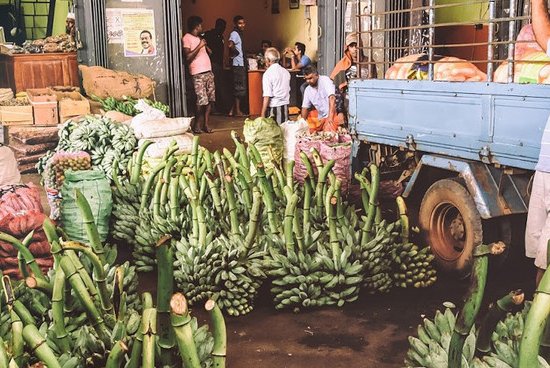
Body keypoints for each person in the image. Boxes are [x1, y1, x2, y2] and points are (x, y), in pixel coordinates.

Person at [526, 0, 550, 286]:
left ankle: (538, 323)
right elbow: (543, 34)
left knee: (546, 256)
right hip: (545, 168)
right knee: (537, 250)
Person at [183, 16, 216, 133]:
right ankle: (197, 125)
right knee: (201, 101)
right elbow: (187, 57)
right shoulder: (187, 38)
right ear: (197, 26)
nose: (202, 27)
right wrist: (200, 46)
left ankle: (206, 125)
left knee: (210, 100)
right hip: (198, 74)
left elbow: (208, 53)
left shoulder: (199, 38)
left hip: (208, 72)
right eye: (201, 25)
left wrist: (205, 47)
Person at [330, 33, 359, 125]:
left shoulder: (369, 62)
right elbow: (336, 90)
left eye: (357, 45)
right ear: (347, 48)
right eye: (352, 46)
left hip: (364, 101)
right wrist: (340, 111)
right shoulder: (342, 65)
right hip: (347, 102)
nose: (355, 49)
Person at [301, 65, 339, 132]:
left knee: (329, 133)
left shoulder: (325, 80)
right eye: (306, 79)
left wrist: (330, 118)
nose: (308, 81)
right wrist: (301, 124)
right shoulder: (307, 90)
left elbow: (332, 98)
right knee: (308, 130)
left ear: (317, 75)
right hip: (321, 117)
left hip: (334, 114)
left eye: (310, 78)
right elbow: (305, 108)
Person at [261, 47, 291, 124]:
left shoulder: (268, 74)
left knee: (274, 133)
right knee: (284, 131)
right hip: (285, 106)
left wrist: (262, 114)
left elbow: (267, 96)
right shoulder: (286, 72)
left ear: (268, 60)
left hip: (274, 107)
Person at [204, 18, 227, 114]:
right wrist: (207, 49)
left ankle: (218, 108)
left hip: (219, 63)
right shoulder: (210, 34)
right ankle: (213, 108)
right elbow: (202, 40)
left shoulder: (220, 36)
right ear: (217, 26)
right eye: (222, 27)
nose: (223, 29)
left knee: (218, 87)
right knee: (214, 87)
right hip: (212, 64)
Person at [228, 15, 247, 117]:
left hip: (240, 63)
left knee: (238, 88)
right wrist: (235, 53)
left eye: (243, 23)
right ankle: (238, 111)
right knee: (239, 89)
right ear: (235, 24)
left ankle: (232, 110)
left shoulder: (239, 33)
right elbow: (230, 44)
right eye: (240, 23)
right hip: (238, 64)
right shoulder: (235, 33)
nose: (242, 25)